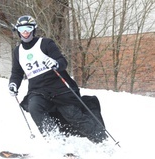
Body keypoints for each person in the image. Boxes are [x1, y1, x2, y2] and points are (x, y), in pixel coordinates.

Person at [9, 15, 107, 144]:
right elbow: (17, 72)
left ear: (33, 29)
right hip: (37, 90)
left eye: (28, 28)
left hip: (59, 88)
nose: (25, 32)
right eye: (22, 29)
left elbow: (62, 62)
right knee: (34, 107)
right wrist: (13, 84)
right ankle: (56, 140)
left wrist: (55, 63)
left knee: (72, 115)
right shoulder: (18, 51)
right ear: (18, 30)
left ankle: (101, 141)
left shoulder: (45, 43)